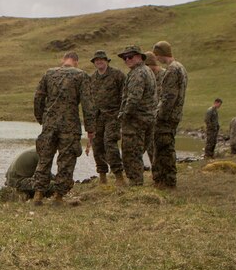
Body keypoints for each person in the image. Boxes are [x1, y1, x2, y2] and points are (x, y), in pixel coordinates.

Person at [26, 52, 95, 205]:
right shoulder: (81, 76)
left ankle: (38, 194)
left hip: (49, 124)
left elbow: (38, 98)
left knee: (44, 159)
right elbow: (87, 104)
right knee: (66, 161)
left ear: (63, 60)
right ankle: (58, 196)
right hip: (69, 125)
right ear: (76, 62)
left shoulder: (49, 74)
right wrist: (90, 128)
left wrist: (42, 119)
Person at [116, 45, 156, 186]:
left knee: (131, 154)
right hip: (146, 119)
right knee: (137, 152)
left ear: (139, 57)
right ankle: (137, 183)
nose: (127, 60)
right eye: (124, 58)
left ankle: (135, 184)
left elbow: (133, 99)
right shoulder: (147, 71)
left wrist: (123, 116)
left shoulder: (138, 73)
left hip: (135, 121)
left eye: (130, 57)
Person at [151, 41, 188, 189]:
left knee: (163, 149)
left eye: (157, 55)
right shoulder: (181, 68)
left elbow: (168, 97)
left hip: (167, 117)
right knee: (168, 147)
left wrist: (159, 115)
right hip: (175, 115)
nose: (156, 59)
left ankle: (166, 181)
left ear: (161, 54)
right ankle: (168, 180)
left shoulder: (172, 70)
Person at [87, 50, 125, 185]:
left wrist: (122, 113)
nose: (99, 61)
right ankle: (102, 177)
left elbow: (124, 94)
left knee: (110, 144)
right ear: (94, 63)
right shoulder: (92, 78)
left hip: (113, 116)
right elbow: (90, 99)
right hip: (97, 117)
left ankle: (119, 176)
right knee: (97, 147)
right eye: (96, 60)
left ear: (107, 61)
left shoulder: (117, 75)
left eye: (102, 59)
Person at [144, 52, 164, 165]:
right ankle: (154, 169)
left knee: (160, 146)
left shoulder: (165, 75)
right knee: (150, 146)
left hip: (161, 117)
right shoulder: (146, 76)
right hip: (149, 117)